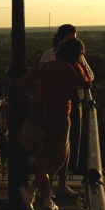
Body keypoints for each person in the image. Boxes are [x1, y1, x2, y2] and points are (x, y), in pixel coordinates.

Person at [16, 37, 91, 210]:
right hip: (60, 117)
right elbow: (87, 83)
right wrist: (82, 65)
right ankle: (33, 189)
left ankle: (45, 200)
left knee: (43, 159)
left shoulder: (44, 67)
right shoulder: (75, 69)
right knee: (59, 158)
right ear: (77, 54)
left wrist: (27, 103)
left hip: (39, 115)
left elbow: (21, 84)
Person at [39, 24, 94, 197]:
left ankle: (59, 185)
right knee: (53, 148)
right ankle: (44, 186)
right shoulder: (49, 55)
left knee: (70, 146)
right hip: (54, 106)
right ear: (61, 38)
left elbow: (90, 77)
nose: (73, 41)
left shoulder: (77, 57)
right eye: (71, 38)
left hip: (72, 104)